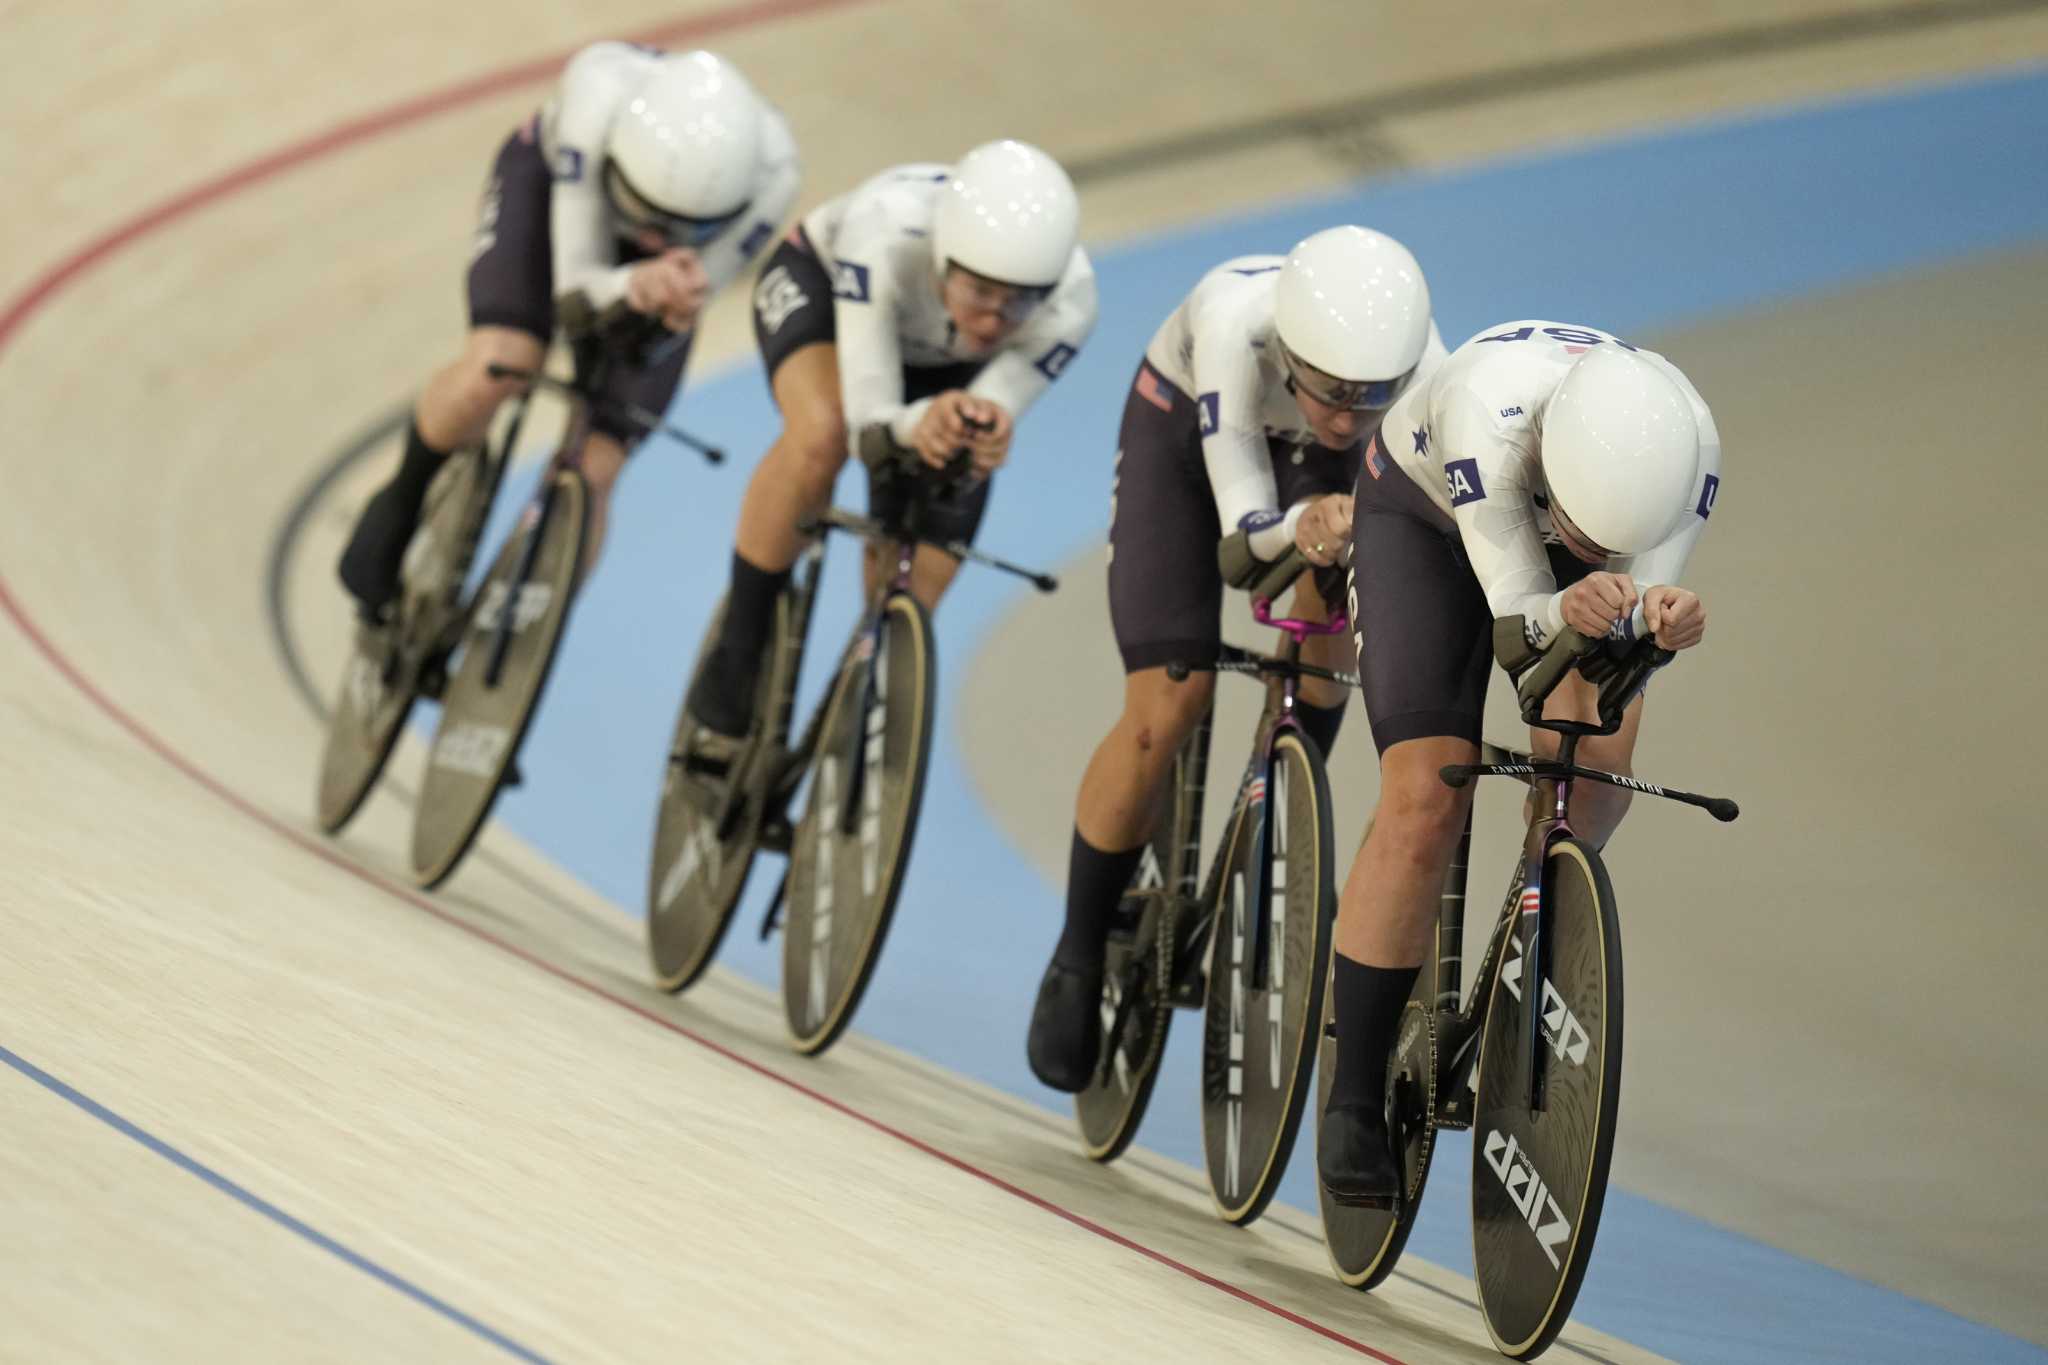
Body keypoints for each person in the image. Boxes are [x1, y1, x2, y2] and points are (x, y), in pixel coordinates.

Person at [1024, 226, 1447, 1092]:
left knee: (1343, 600)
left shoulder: (1425, 373)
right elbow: (1245, 541)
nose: (1345, 413)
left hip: (1334, 480)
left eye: (1371, 397)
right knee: (1166, 707)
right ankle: (1076, 947)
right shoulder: (1231, 325)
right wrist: (1305, 526)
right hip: (1189, 444)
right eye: (1331, 392)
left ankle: (1281, 799)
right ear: (1289, 351)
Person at [1317, 322, 1722, 1202]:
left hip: (1568, 552)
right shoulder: (1490, 411)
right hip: (1427, 519)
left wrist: (1658, 619)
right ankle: (1350, 1095)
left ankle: (1528, 920)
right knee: (1427, 794)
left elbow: (1626, 625)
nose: (1580, 538)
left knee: (1593, 787)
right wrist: (1573, 601)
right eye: (1573, 523)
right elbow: (1518, 625)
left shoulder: (1689, 451)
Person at [337, 42, 799, 617]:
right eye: (647, 213)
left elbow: (689, 294)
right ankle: (402, 498)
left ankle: (529, 630)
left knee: (601, 461)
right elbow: (574, 290)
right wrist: (633, 284)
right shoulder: (595, 97)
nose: (655, 236)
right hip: (554, 194)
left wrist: (671, 290)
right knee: (500, 363)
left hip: (669, 265)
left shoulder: (774, 174)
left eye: (679, 227)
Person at [679, 139, 1099, 766]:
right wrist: (908, 428)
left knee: (948, 485)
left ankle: (867, 673)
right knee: (821, 436)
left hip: (942, 368)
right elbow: (869, 422)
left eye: (1019, 301)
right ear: (942, 258)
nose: (994, 319)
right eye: (981, 290)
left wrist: (978, 430)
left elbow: (992, 403)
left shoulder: (1070, 303)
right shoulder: (885, 234)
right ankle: (740, 646)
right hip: (829, 299)